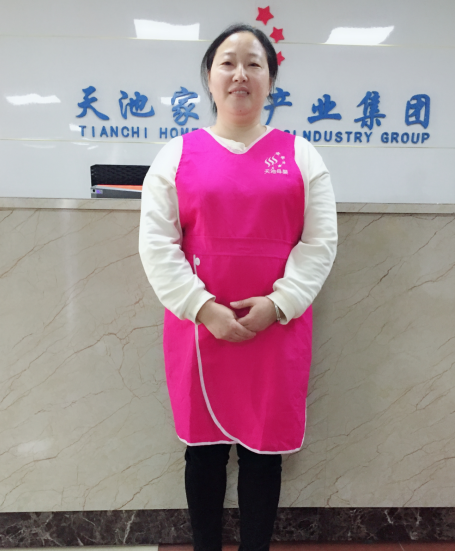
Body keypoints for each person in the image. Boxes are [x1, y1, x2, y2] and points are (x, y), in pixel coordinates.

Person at [139, 23, 338, 551]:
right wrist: (203, 307)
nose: (240, 74)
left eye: (254, 64)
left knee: (263, 455)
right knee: (203, 452)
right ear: (209, 77)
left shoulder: (303, 156)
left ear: (271, 81)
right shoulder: (176, 155)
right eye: (227, 63)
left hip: (276, 328)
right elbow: (157, 244)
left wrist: (278, 303)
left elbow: (319, 244)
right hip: (199, 329)